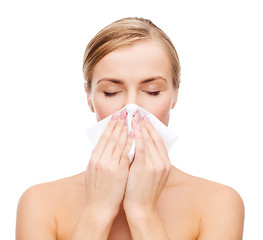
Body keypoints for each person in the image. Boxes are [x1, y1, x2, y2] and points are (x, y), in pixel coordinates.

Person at [16, 17, 245, 240]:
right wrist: (97, 212)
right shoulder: (40, 204)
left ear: (175, 96)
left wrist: (142, 212)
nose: (132, 109)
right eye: (111, 92)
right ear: (90, 98)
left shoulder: (219, 204)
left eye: (153, 91)